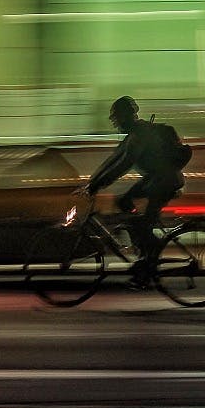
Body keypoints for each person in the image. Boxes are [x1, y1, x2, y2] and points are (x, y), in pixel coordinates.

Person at [78, 95, 186, 288]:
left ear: (125, 116)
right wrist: (91, 182)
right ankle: (143, 248)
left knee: (142, 224)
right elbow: (113, 160)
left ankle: (149, 260)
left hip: (165, 182)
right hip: (155, 179)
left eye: (116, 118)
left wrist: (97, 185)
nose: (115, 123)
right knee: (124, 203)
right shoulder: (133, 136)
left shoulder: (140, 135)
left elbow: (123, 165)